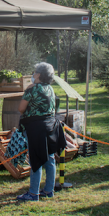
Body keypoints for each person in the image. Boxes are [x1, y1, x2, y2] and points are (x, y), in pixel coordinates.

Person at [16, 62, 66, 201]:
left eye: (34, 72)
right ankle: (49, 190)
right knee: (50, 158)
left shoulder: (31, 89)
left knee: (36, 159)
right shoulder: (50, 88)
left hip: (35, 128)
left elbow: (21, 108)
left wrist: (28, 90)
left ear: (38, 74)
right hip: (50, 126)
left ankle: (33, 193)